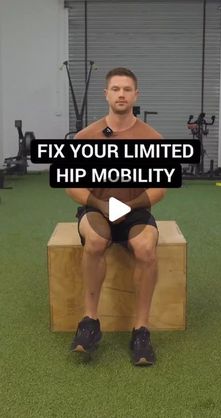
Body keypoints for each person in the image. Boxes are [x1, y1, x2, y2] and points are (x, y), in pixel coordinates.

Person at [66, 67, 166, 366]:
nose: (121, 94)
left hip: (135, 210)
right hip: (97, 209)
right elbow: (73, 184)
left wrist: (128, 206)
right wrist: (101, 204)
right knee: (95, 239)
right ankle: (90, 322)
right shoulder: (86, 136)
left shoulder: (151, 138)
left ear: (136, 94)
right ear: (106, 94)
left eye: (127, 89)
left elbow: (159, 187)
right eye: (115, 89)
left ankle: (141, 330)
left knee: (146, 247)